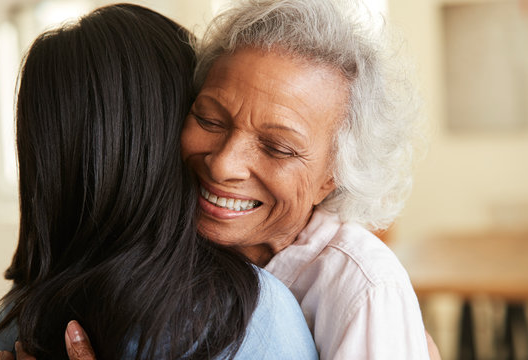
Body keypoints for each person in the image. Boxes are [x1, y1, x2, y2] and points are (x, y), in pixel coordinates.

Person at [0, 4, 318, 360]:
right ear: (167, 132)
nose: (223, 163)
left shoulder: (13, 325)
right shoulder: (247, 318)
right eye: (208, 119)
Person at [180, 0, 432, 358]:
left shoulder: (362, 288)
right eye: (210, 120)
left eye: (278, 148)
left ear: (333, 176)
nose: (223, 165)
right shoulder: (170, 236)